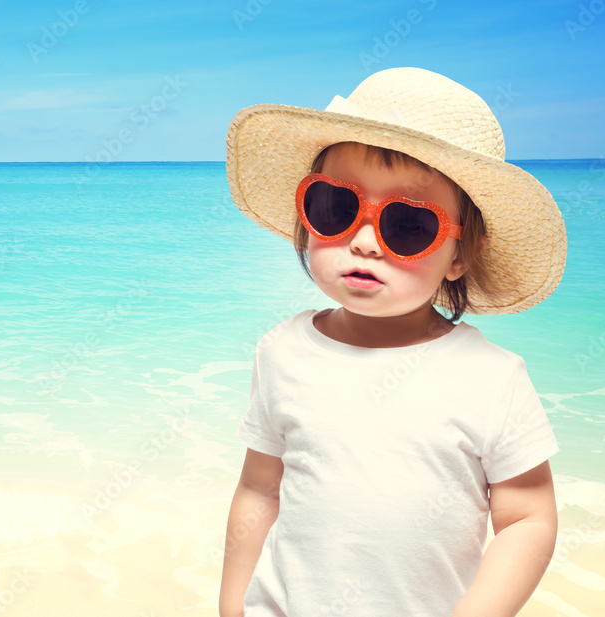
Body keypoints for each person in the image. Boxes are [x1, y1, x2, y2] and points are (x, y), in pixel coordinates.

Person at [218, 67, 567, 617]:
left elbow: (527, 517)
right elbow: (261, 489)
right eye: (335, 208)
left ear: (459, 255)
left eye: (407, 225)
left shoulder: (491, 377)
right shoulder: (281, 350)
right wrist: (232, 604)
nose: (362, 242)